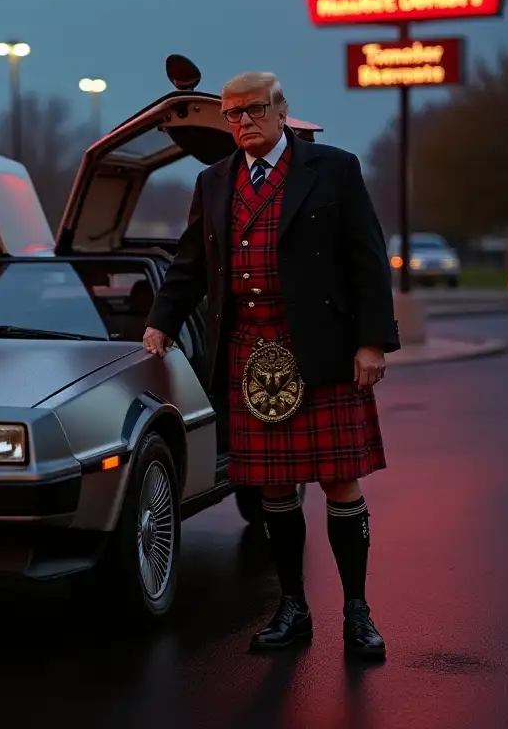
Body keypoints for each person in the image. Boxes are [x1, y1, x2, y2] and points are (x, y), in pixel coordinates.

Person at [142, 71, 398, 660]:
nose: (243, 123)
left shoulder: (332, 168)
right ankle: (293, 609)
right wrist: (161, 319)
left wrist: (373, 343)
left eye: (255, 110)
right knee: (272, 490)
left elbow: (366, 258)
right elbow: (188, 264)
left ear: (282, 110)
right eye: (232, 115)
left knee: (339, 481)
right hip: (249, 353)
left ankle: (357, 613)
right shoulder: (212, 182)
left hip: (323, 349)